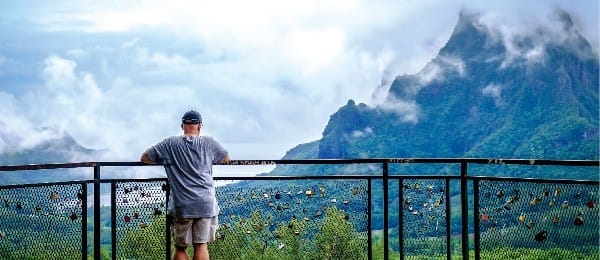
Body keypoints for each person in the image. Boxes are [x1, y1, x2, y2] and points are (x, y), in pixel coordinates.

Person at [141, 110, 229, 260]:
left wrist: (168, 161)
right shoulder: (209, 143)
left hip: (182, 205)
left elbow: (145, 158)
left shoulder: (169, 143)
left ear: (182, 126)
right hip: (205, 204)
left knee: (180, 247)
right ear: (199, 126)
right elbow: (226, 158)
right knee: (201, 245)